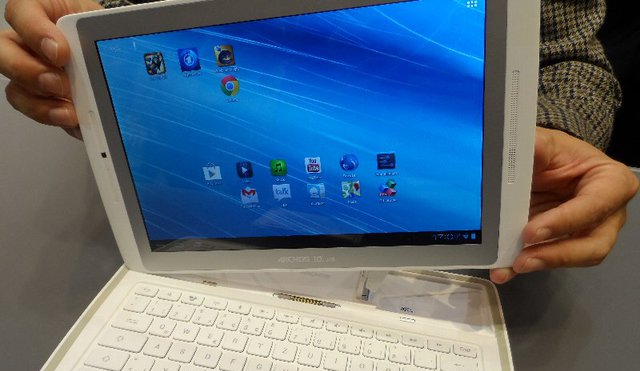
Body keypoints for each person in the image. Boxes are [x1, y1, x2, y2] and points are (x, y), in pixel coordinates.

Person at [1, 0, 638, 284]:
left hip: (440, 252)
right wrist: (65, 46)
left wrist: (545, 141)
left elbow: (570, 55)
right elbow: (117, 17)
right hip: (202, 224)